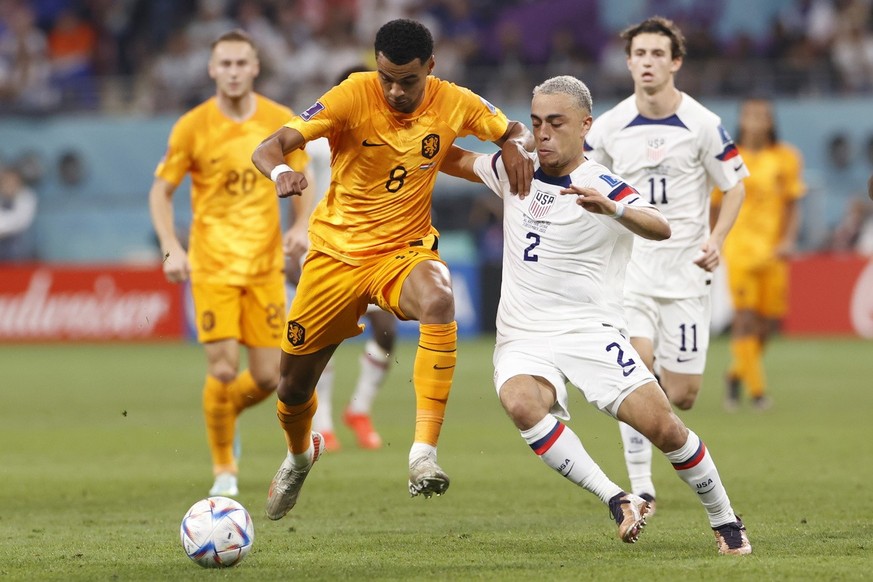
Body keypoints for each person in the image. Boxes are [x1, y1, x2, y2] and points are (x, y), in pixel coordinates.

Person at [440, 75, 751, 555]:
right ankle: (617, 498)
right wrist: (415, 138)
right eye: (537, 122)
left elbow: (660, 226)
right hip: (523, 333)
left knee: (666, 428)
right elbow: (448, 158)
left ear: (584, 126)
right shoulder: (513, 168)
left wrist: (613, 211)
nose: (542, 133)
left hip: (590, 331)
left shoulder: (601, 182)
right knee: (522, 402)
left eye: (555, 123)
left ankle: (725, 520)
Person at [251, 18, 534, 520]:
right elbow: (267, 147)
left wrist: (512, 143)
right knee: (292, 387)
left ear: (431, 67)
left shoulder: (455, 100)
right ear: (374, 67)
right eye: (387, 78)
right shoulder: (352, 94)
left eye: (408, 80)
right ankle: (299, 455)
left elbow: (514, 130)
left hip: (402, 252)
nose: (396, 91)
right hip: (335, 256)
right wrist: (282, 172)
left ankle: (423, 454)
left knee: (440, 297)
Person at [584, 16, 747, 512]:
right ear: (629, 62)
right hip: (630, 273)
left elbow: (736, 185)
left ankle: (657, 438)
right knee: (635, 370)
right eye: (640, 54)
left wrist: (717, 238)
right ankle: (643, 487)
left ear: (675, 62)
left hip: (686, 276)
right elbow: (583, 175)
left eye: (658, 54)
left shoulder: (702, 123)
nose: (648, 62)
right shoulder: (610, 126)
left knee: (683, 395)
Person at [148, 29, 315, 498]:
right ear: (211, 69)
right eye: (225, 64)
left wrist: (301, 224)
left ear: (256, 67)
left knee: (268, 378)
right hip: (213, 266)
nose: (234, 71)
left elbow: (306, 174)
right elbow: (161, 191)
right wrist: (170, 247)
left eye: (242, 63)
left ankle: (225, 412)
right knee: (222, 370)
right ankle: (224, 469)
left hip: (264, 267)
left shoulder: (278, 120)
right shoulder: (192, 126)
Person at [714, 97, 805, 411]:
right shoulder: (727, 157)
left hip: (772, 252)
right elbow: (715, 205)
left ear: (770, 121)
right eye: (750, 115)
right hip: (739, 250)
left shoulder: (786, 157)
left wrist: (789, 239)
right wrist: (717, 241)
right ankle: (758, 393)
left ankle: (735, 373)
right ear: (741, 119)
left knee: (767, 324)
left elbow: (793, 203)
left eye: (762, 115)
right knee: (745, 319)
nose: (755, 121)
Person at [0, 165, 38, 262]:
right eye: (6, 181)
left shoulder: (28, 197)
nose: (9, 185)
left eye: (13, 182)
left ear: (20, 183)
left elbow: (18, 222)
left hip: (21, 257)